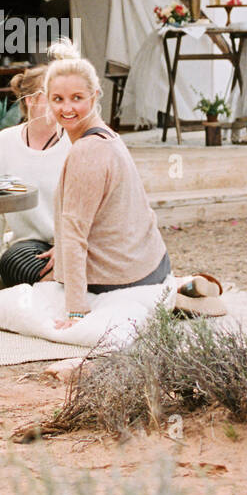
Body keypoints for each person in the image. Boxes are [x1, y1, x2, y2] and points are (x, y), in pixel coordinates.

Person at [43, 47, 170, 329]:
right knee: (36, 254)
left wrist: (76, 311)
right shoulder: (109, 136)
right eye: (58, 99)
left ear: (95, 96)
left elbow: (75, 234)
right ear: (47, 102)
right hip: (151, 263)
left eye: (77, 98)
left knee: (19, 262)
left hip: (122, 276)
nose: (67, 108)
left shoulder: (87, 151)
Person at [0, 65, 71, 287]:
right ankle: (64, 281)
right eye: (53, 96)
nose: (61, 104)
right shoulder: (4, 142)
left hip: (72, 243)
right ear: (30, 101)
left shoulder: (75, 142)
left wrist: (65, 248)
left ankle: (65, 280)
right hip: (33, 249)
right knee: (12, 261)